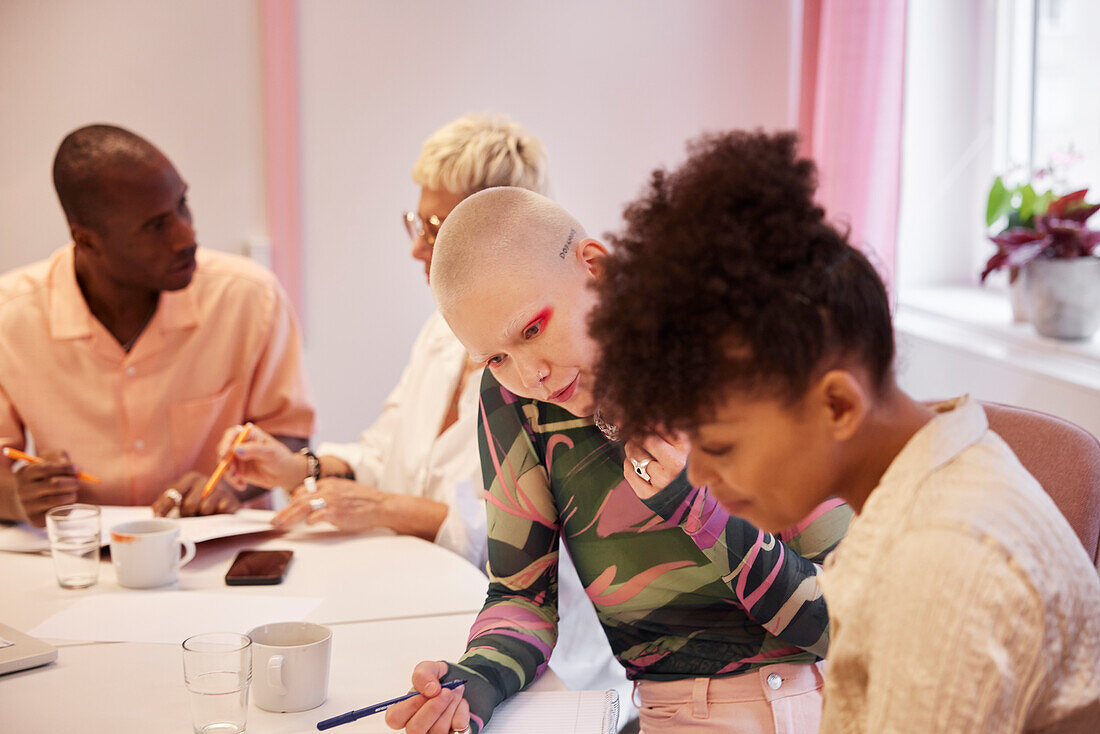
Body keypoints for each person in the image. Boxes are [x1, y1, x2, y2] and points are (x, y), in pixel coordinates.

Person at [586, 130, 1100, 732]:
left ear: (835, 405)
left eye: (719, 445)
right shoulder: (911, 494)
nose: (698, 474)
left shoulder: (940, 567)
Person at [385, 186, 852, 734]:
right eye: (496, 356)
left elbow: (847, 624)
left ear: (595, 268)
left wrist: (697, 508)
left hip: (820, 703)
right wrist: (478, 681)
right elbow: (522, 596)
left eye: (533, 329)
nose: (528, 373)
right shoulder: (513, 401)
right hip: (666, 714)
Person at [218, 113, 632, 708]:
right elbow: (386, 453)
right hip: (453, 627)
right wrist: (299, 470)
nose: (417, 244)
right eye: (418, 220)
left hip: (557, 668)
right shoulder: (442, 340)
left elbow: (531, 551)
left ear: (496, 226)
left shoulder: (568, 379)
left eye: (435, 225)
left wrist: (390, 508)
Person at [0, 124, 314, 527]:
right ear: (88, 241)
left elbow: (291, 438)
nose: (187, 236)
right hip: (79, 563)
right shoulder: (11, 318)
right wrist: (19, 497)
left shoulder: (250, 298)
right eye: (156, 225)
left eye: (182, 204)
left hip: (219, 565)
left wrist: (230, 486)